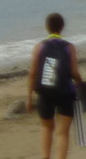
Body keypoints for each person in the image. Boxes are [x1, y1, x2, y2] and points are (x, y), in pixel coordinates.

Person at [30, 12, 83, 159]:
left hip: (45, 92)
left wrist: (29, 98)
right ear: (62, 27)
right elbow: (74, 72)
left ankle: (45, 157)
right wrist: (80, 84)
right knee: (62, 132)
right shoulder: (69, 47)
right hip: (65, 93)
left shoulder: (39, 47)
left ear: (47, 27)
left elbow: (33, 73)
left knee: (46, 127)